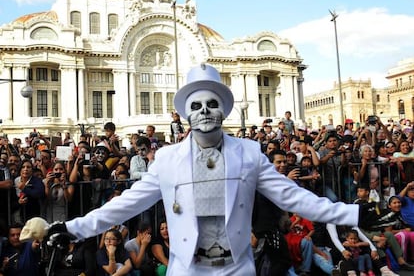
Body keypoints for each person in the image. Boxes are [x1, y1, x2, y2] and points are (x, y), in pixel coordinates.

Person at [50, 64, 368, 276]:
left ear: (223, 110)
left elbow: (293, 197)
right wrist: (73, 228)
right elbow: (125, 204)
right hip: (188, 268)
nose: (204, 111)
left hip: (236, 268)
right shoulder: (167, 159)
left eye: (211, 104)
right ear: (186, 113)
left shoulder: (249, 153)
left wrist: (351, 214)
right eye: (196, 105)